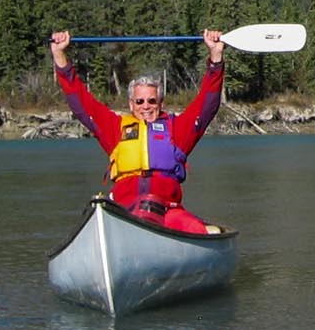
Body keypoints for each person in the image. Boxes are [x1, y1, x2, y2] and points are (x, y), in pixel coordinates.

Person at [49, 29, 225, 234]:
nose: (146, 106)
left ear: (161, 103)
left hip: (168, 210)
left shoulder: (177, 129)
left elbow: (208, 105)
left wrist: (215, 57)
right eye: (140, 101)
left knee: (204, 231)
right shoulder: (114, 128)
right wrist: (60, 56)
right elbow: (81, 104)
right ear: (131, 105)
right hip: (126, 211)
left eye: (152, 101)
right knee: (123, 216)